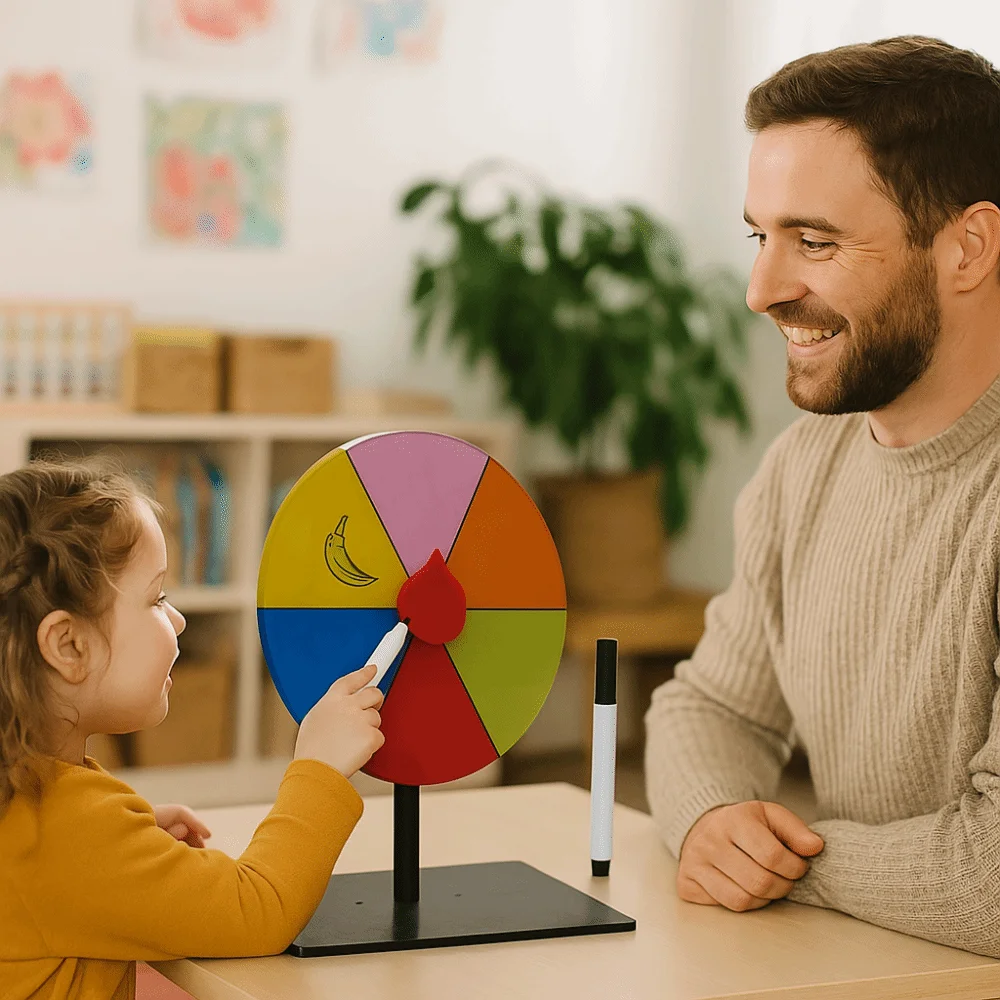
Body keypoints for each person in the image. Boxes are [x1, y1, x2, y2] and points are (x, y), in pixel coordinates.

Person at [645, 34, 1000, 958]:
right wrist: (716, 817)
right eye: (760, 236)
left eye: (816, 241)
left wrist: (781, 864)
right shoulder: (803, 468)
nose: (763, 290)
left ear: (968, 247)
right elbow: (712, 708)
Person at [0, 457, 385, 999]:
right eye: (157, 598)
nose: (178, 619)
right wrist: (318, 768)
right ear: (69, 646)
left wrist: (125, 844)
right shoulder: (65, 829)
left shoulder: (38, 812)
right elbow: (259, 909)